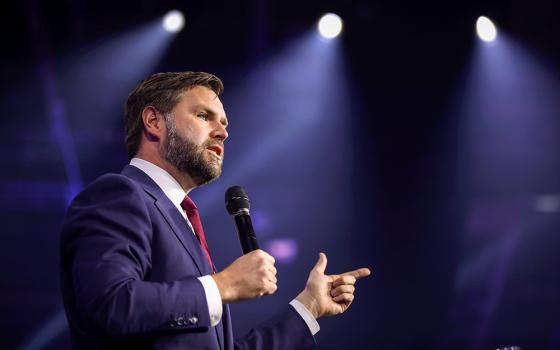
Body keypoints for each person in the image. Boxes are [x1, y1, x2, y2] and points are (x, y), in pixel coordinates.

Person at [60, 71, 371, 349]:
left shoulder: (181, 219)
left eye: (223, 123)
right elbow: (109, 307)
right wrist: (224, 284)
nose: (222, 132)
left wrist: (310, 307)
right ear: (154, 122)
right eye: (203, 116)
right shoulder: (119, 195)